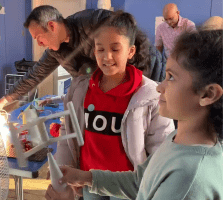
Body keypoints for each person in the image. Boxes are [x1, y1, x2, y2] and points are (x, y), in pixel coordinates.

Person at [46, 30, 223, 199]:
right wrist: (86, 178)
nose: (160, 87)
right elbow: (141, 182)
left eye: (171, 77)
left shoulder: (189, 180)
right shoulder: (178, 139)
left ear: (208, 95)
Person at [45, 11, 175, 200]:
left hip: (126, 187)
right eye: (100, 49)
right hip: (88, 181)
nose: (107, 57)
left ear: (130, 51)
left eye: (115, 49)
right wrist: (65, 173)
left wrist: (151, 188)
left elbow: (161, 147)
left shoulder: (150, 94)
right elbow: (68, 132)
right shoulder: (80, 89)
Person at [0, 5, 160, 110]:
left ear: (51, 26)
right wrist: (3, 101)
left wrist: (141, 90)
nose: (39, 44)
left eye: (38, 37)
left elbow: (133, 43)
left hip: (149, 75)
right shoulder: (55, 51)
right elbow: (34, 76)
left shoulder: (93, 21)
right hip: (112, 98)